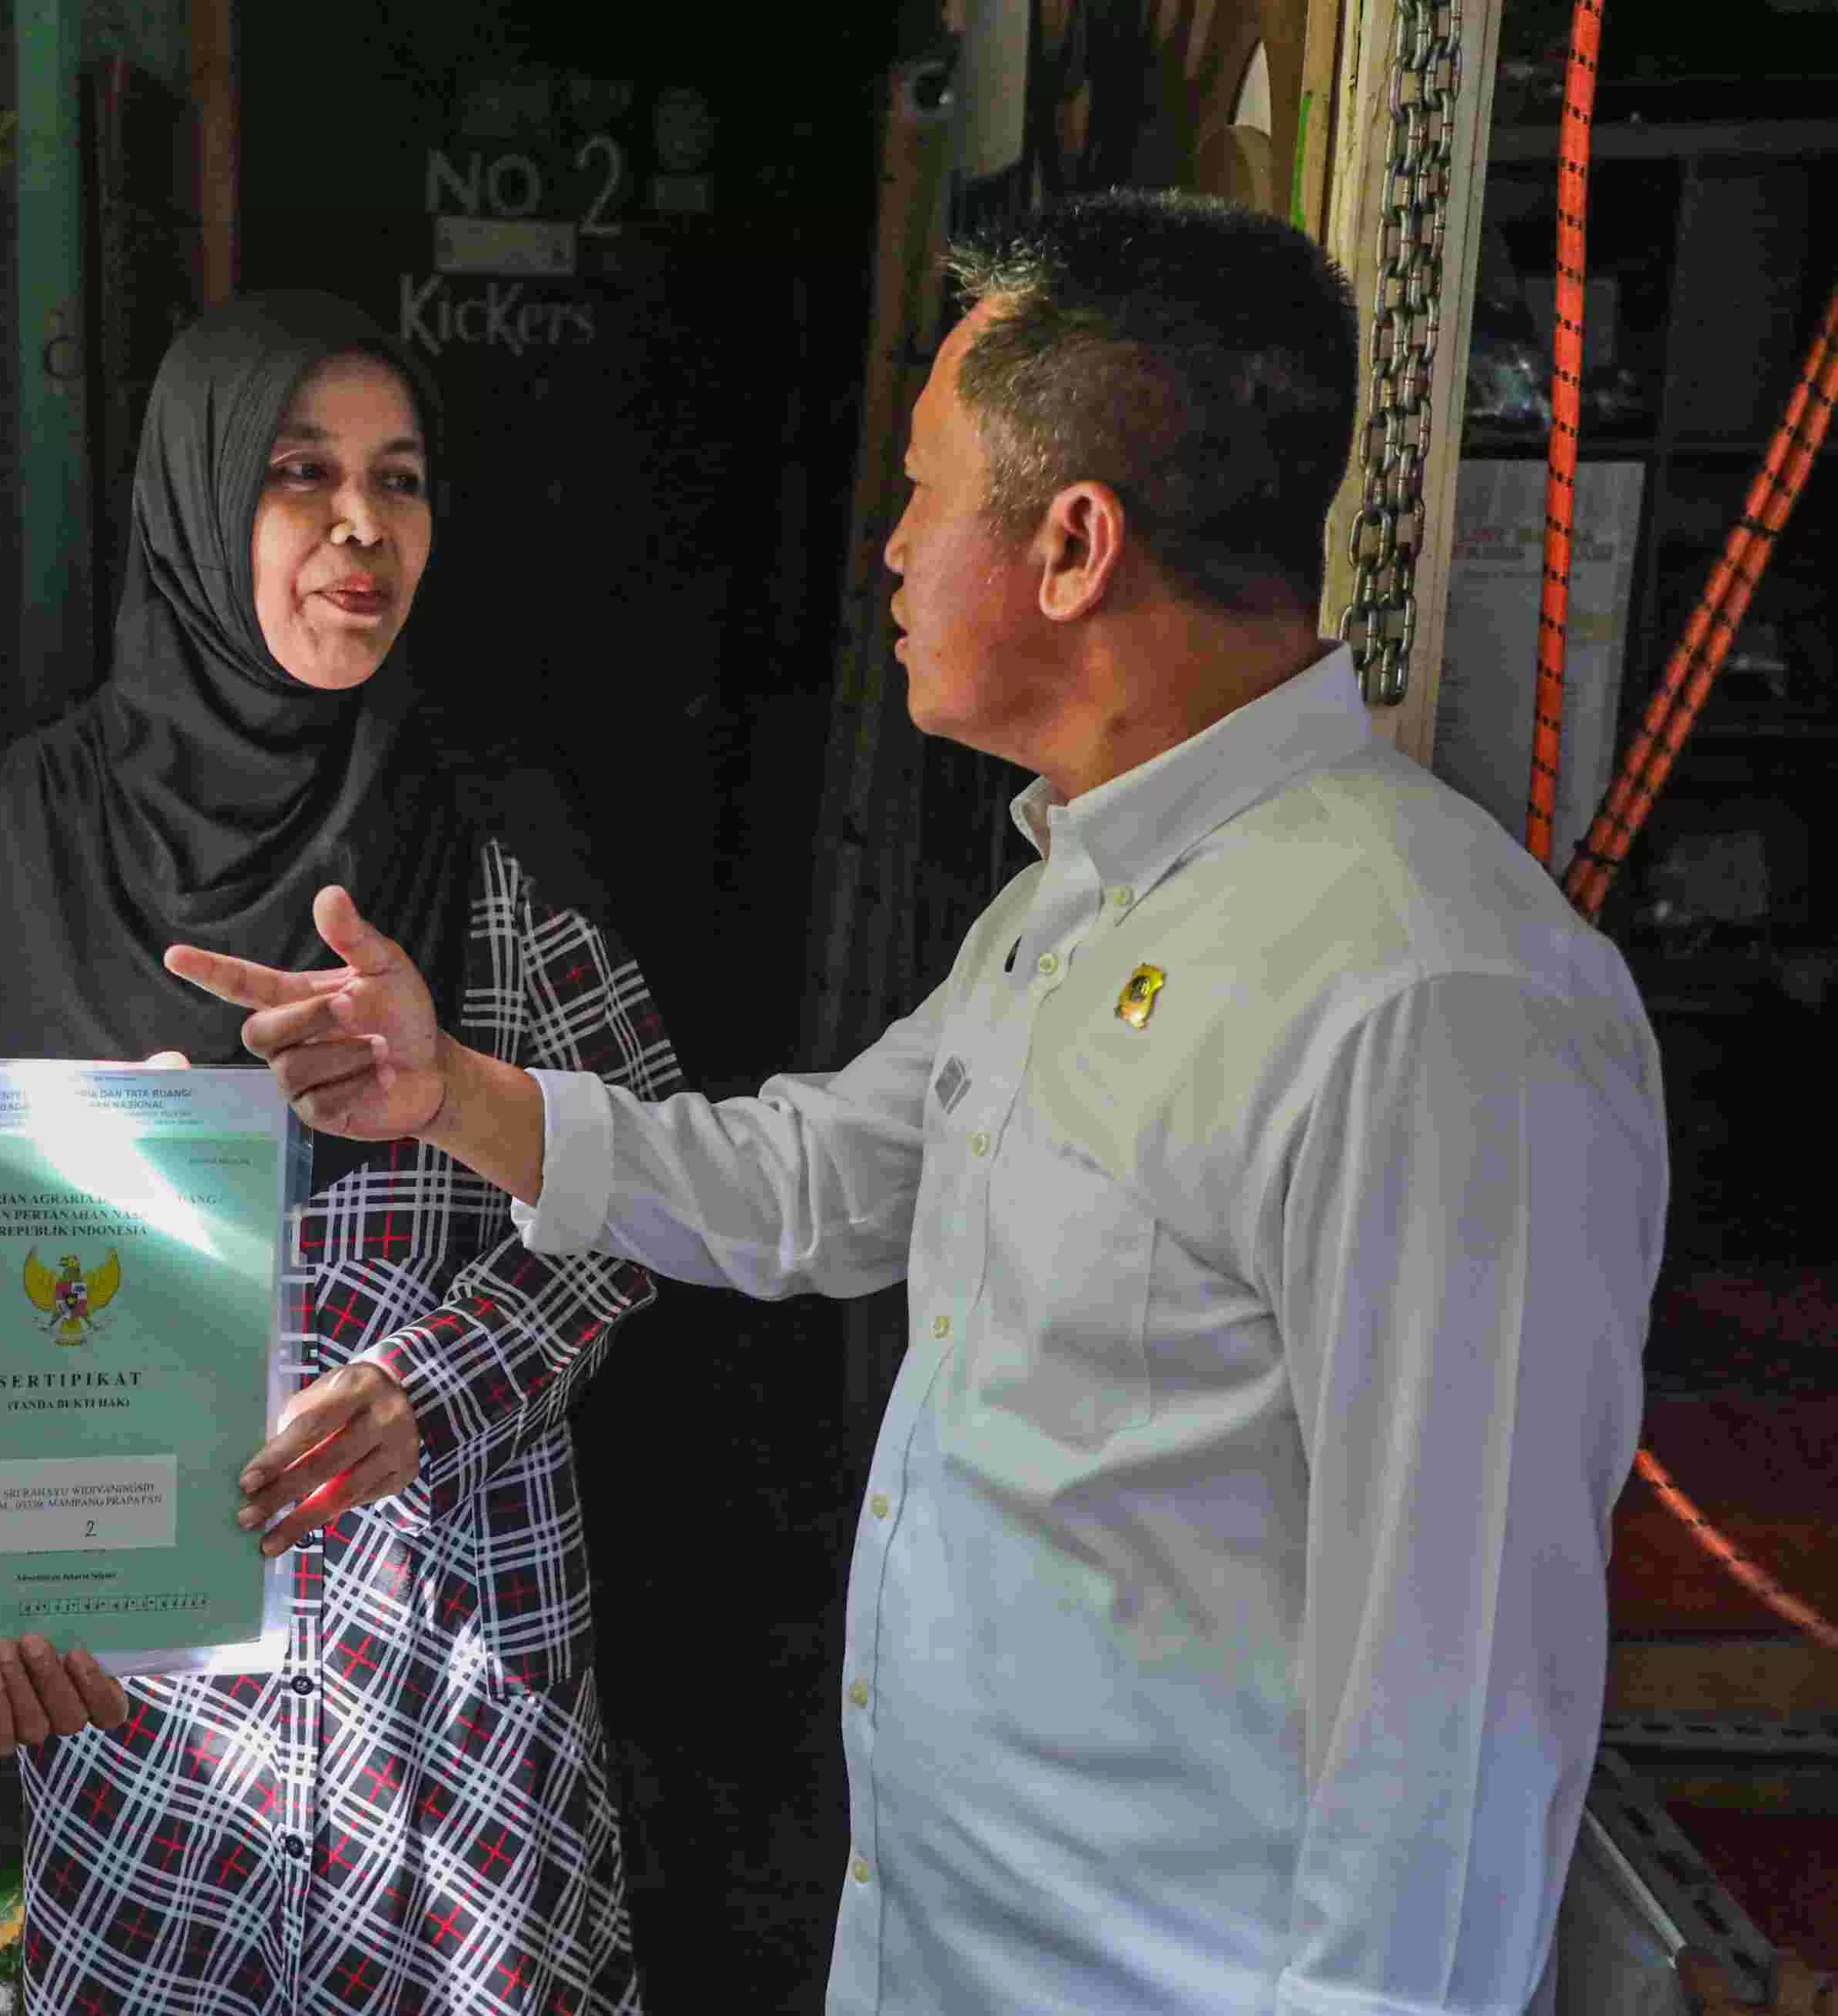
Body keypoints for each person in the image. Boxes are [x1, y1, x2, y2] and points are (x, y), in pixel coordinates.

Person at [174, 191, 1669, 2015]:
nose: (885, 548)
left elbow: (1451, 1726)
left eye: (922, 487)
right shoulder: (1069, 902)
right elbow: (813, 1181)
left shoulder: (1431, 1003)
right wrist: (455, 1094)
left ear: (1069, 545)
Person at [0, 291, 679, 2013]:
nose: (359, 528)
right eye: (298, 474)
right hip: (141, 1652)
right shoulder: (19, 834)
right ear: (191, 501)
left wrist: (432, 1386)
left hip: (446, 1631)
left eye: (399, 483)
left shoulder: (486, 834)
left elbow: (645, 1197)